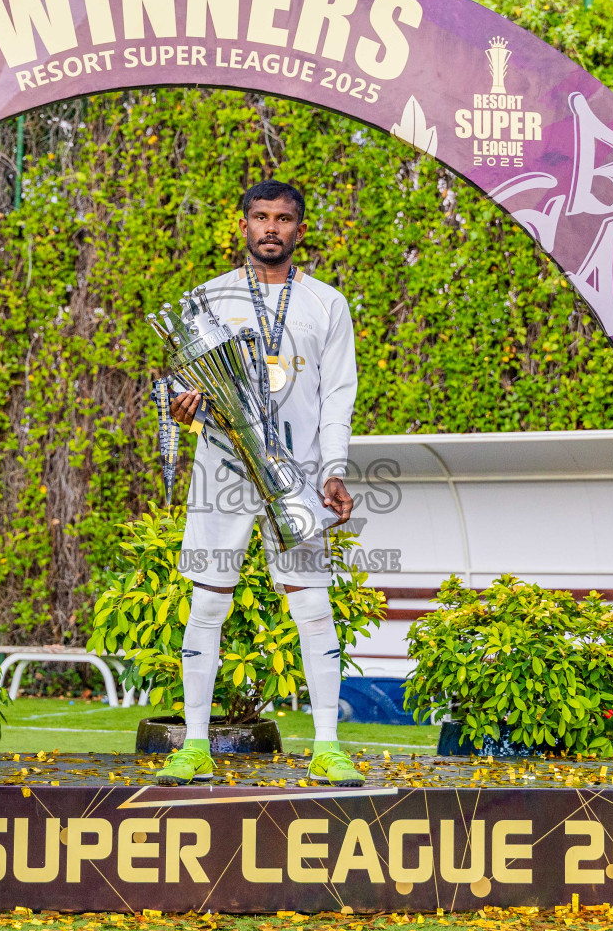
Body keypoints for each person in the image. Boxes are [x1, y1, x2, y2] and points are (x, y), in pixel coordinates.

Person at [159, 179, 361, 788]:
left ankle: (327, 745)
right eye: (260, 217)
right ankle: (195, 745)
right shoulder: (206, 299)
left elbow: (338, 394)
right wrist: (180, 406)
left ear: (300, 229)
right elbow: (177, 381)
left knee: (312, 601)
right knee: (207, 601)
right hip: (223, 465)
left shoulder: (327, 303)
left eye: (283, 219)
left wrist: (333, 469)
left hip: (297, 471)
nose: (271, 228)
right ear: (242, 225)